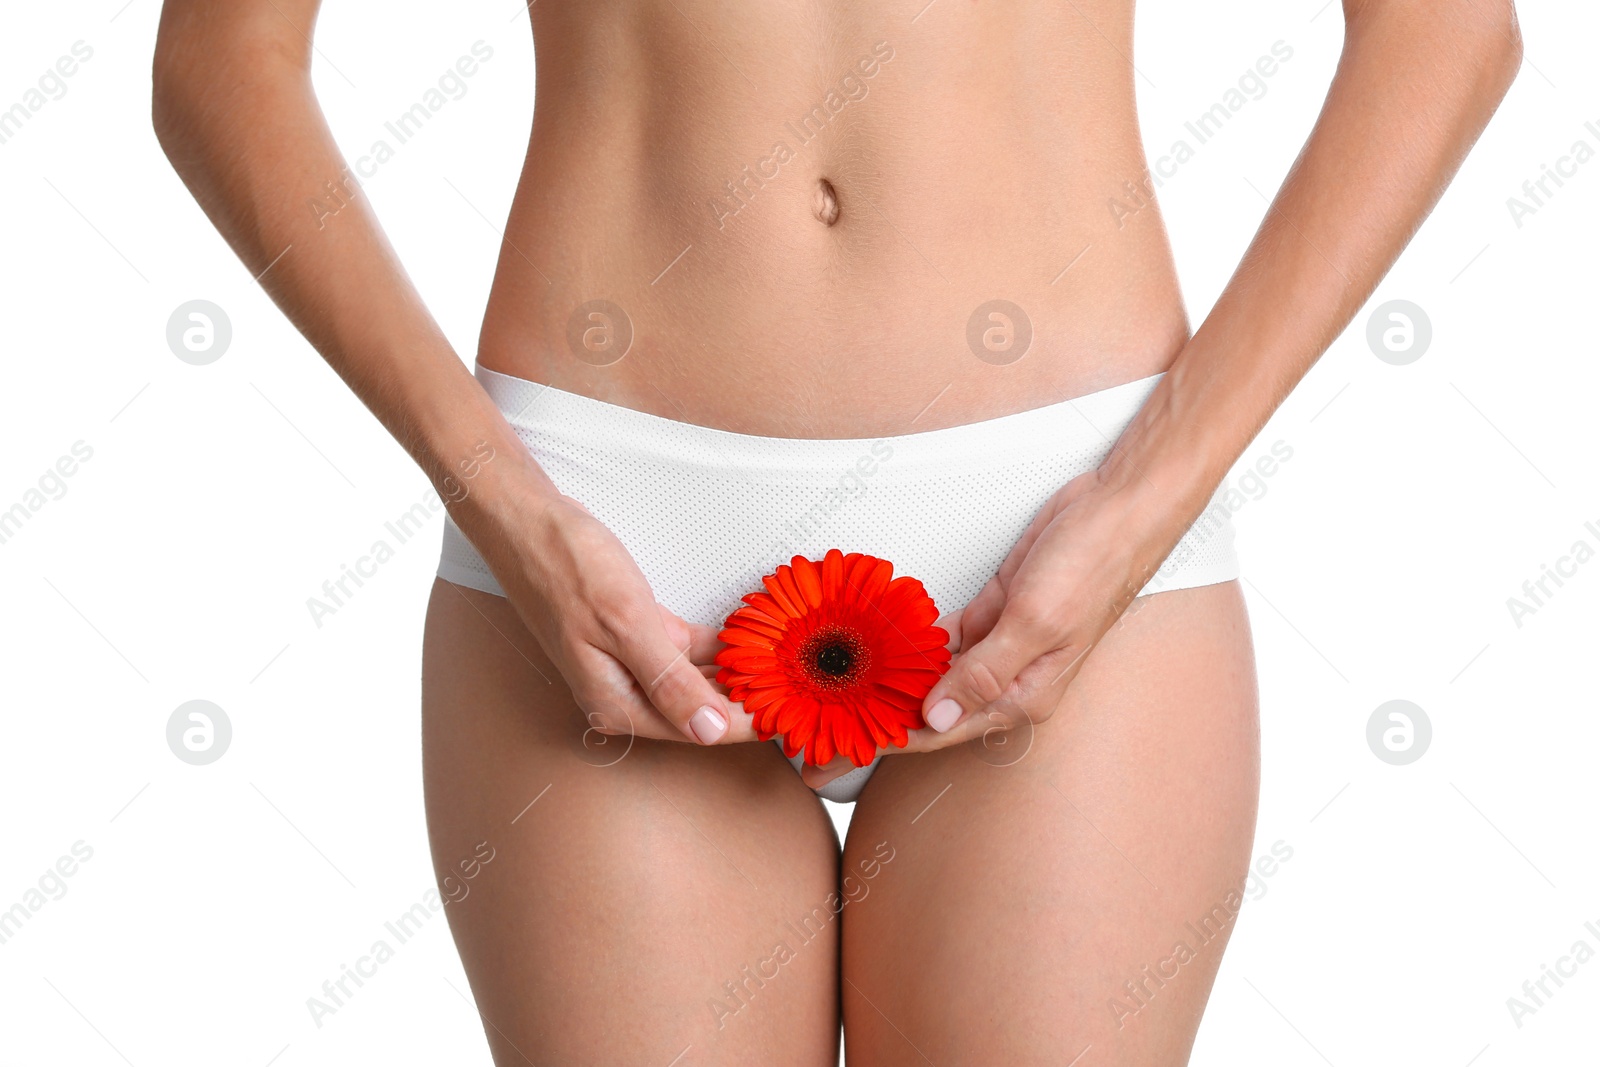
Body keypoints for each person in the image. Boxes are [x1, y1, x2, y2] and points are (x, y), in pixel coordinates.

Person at [151, 1, 1520, 1062]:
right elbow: (223, 55)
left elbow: (1445, 30)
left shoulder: (1109, 514)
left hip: (1068, 506)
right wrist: (496, 494)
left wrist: (1143, 502)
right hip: (600, 533)